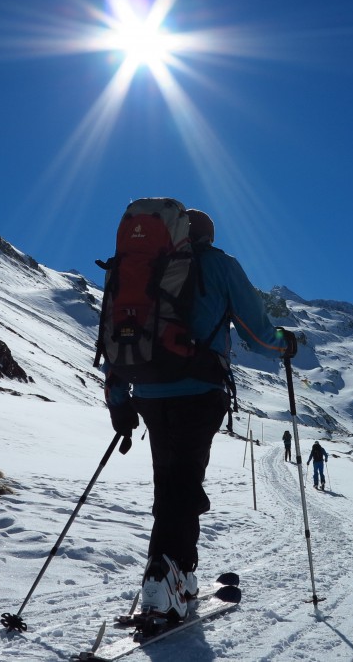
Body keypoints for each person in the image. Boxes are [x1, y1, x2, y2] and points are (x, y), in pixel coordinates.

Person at [105, 207, 297, 620]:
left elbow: (117, 331)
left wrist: (119, 404)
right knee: (185, 485)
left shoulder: (141, 266)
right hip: (198, 392)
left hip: (149, 393)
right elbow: (258, 332)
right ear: (208, 236)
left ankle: (177, 575)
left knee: (169, 485)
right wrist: (286, 344)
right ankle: (165, 578)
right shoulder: (220, 265)